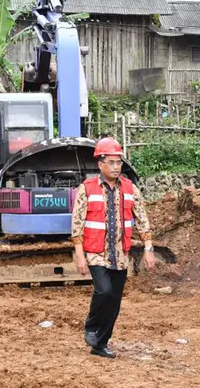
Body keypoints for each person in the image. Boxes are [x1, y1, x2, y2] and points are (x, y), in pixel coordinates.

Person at [71, 137, 156, 358]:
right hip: (95, 252)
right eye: (111, 162)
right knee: (104, 291)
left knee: (114, 302)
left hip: (120, 254)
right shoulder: (87, 189)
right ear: (100, 164)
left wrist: (148, 249)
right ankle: (91, 325)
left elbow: (143, 220)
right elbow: (77, 224)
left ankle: (101, 344)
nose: (116, 167)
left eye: (119, 162)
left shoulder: (130, 189)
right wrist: (80, 256)